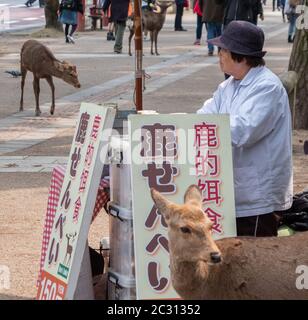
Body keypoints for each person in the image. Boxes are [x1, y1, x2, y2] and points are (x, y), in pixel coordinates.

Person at [197, 21, 293, 237]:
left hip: (257, 193)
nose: (219, 55)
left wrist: (206, 129)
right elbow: (204, 116)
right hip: (235, 188)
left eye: (223, 50)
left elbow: (242, 130)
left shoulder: (267, 87)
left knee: (255, 258)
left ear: (239, 55)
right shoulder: (229, 85)